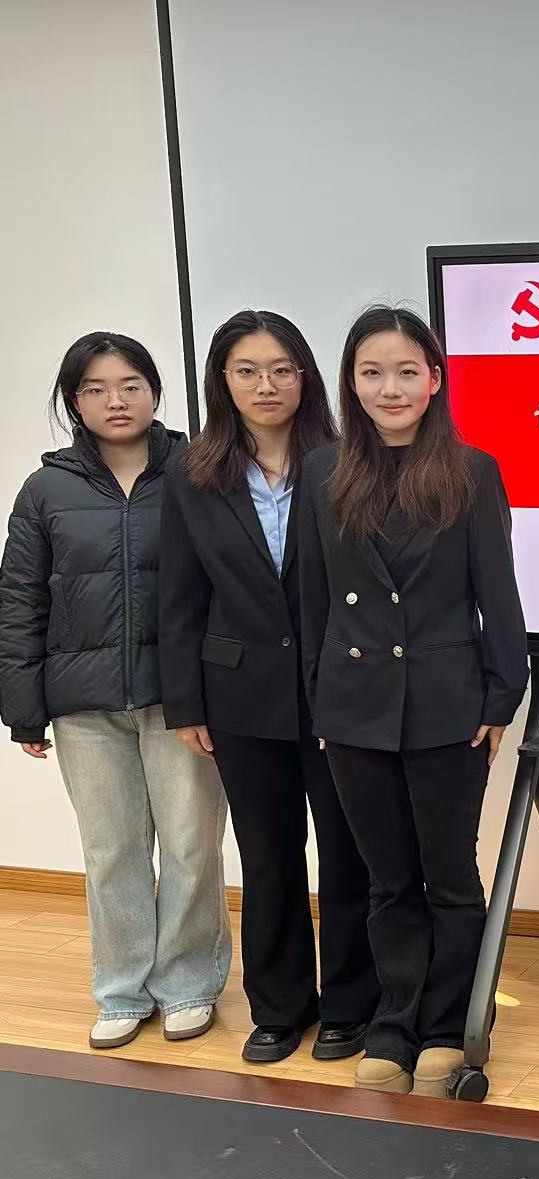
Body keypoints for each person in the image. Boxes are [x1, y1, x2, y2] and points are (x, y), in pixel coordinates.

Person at [297, 305, 527, 1095]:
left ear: (434, 379)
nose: (389, 388)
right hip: (354, 708)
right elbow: (313, 599)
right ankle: (394, 1026)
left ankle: (447, 1027)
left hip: (448, 704)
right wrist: (321, 704)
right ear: (351, 383)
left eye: (405, 371)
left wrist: (500, 699)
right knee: (387, 880)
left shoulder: (472, 472)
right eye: (372, 373)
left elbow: (498, 595)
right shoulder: (324, 472)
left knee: (449, 877)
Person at [0, 332, 229, 1048]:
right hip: (84, 704)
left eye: (130, 385)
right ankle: (122, 990)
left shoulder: (199, 470)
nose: (116, 401)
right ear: (75, 402)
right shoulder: (46, 490)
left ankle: (188, 984)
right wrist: (23, 707)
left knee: (192, 846)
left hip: (181, 701)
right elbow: (20, 598)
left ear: (155, 391)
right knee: (111, 851)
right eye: (95, 389)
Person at [160, 309, 377, 1064]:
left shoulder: (346, 463)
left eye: (282, 369)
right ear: (222, 381)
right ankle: (280, 1007)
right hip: (240, 698)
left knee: (348, 853)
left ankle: (351, 1003)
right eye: (247, 371)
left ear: (306, 377)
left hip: (338, 692)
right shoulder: (193, 474)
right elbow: (180, 596)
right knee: (268, 855)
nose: (266, 385)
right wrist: (185, 703)